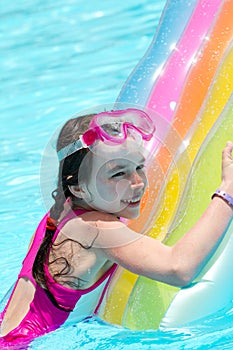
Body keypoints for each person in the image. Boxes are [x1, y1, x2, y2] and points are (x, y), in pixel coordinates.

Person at [0, 108, 233, 346]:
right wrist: (228, 191)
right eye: (118, 174)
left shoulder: (58, 214)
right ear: (79, 188)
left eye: (139, 167)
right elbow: (179, 268)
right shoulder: (97, 229)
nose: (138, 182)